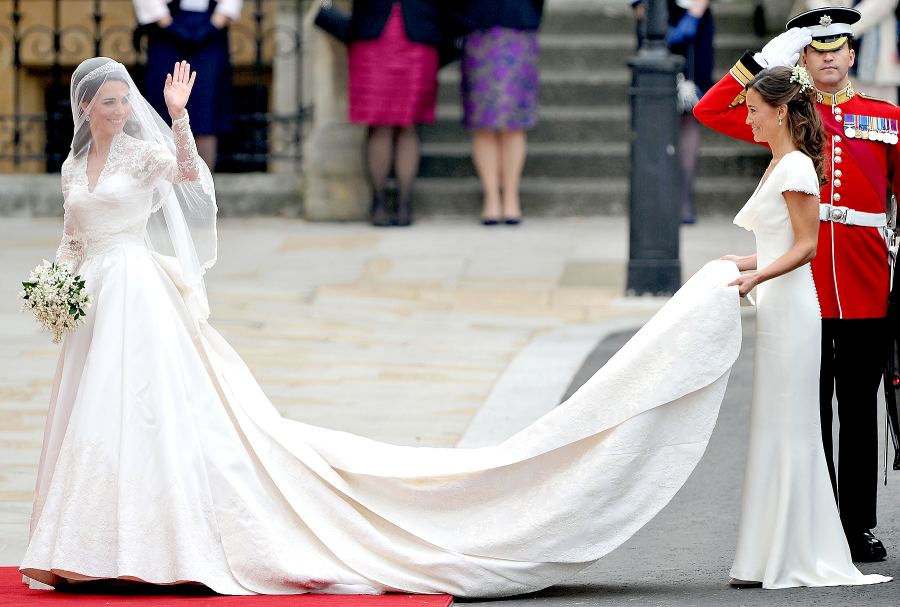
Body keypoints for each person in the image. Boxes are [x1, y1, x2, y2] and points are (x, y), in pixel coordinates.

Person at [20, 56, 750, 596]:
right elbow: (70, 236)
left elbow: (187, 178)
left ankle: (157, 539)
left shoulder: (148, 149)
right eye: (106, 103)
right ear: (86, 109)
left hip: (143, 296)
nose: (117, 110)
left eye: (123, 100)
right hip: (95, 300)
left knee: (148, 411)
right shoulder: (72, 167)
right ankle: (86, 540)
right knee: (93, 416)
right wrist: (57, 286)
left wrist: (179, 116)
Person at [694, 6, 898, 563]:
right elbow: (711, 110)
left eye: (838, 49)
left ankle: (857, 525)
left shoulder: (886, 117)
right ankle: (820, 518)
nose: (829, 58)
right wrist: (761, 60)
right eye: (817, 50)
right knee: (810, 410)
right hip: (803, 286)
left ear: (852, 55)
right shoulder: (791, 117)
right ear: (804, 59)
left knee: (859, 411)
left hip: (865, 285)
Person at [348, 0, 450, 227]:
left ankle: (405, 202)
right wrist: (322, 9)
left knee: (409, 124)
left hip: (419, 37)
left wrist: (448, 34)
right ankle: (379, 202)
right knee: (379, 123)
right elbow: (324, 3)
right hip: (373, 38)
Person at [457, 0, 543, 225]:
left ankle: (511, 197)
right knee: (482, 121)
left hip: (518, 27)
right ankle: (492, 198)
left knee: (514, 121)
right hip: (478, 30)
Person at [632, 0, 714, 224]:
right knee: (653, 111)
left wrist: (695, 14)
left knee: (689, 114)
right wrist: (646, 16)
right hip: (652, 25)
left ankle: (683, 200)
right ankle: (657, 198)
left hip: (694, 22)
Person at [134, 0, 241, 171]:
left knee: (206, 111)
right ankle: (166, 188)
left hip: (210, 34)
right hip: (166, 34)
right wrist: (169, 25)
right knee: (165, 108)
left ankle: (203, 189)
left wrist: (212, 27)